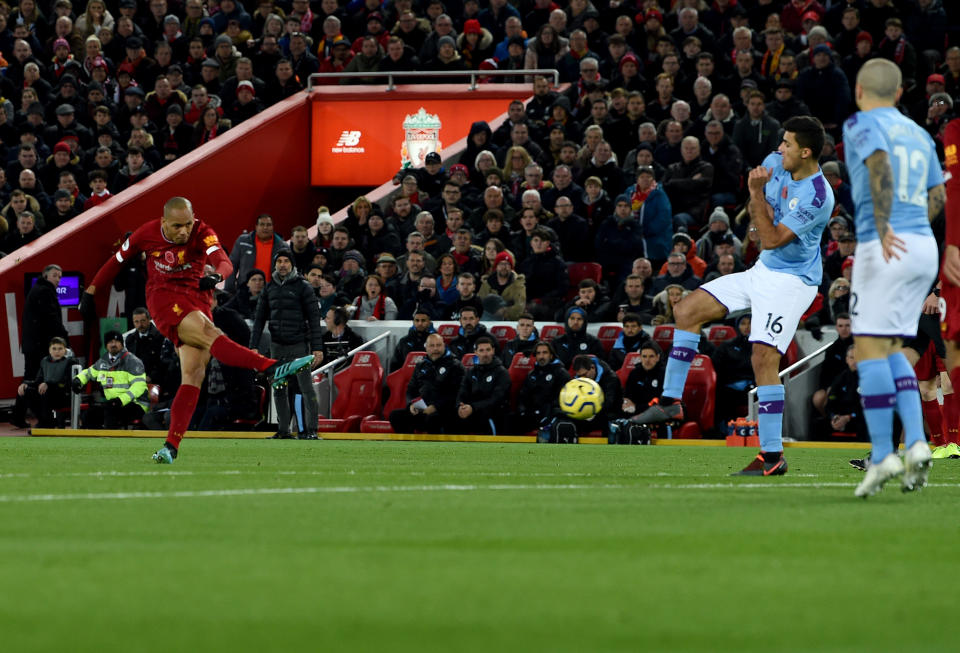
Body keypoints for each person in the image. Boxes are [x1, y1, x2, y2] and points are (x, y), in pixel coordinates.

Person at [633, 116, 834, 477]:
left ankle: (772, 457)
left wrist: (758, 197)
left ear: (806, 152)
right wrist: (761, 207)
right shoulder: (776, 163)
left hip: (794, 282)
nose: (778, 149)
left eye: (786, 144)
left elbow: (770, 236)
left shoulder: (818, 195)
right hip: (763, 270)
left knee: (763, 358)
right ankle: (670, 403)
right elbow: (765, 224)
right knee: (686, 310)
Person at [80, 197, 314, 463]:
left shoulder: (203, 232)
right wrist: (91, 291)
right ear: (164, 222)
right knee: (209, 334)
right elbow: (116, 261)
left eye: (188, 224)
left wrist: (217, 276)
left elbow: (224, 262)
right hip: (164, 299)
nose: (184, 231)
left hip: (197, 299)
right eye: (177, 226)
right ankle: (271, 367)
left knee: (193, 375)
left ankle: (171, 446)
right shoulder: (146, 233)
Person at [843, 59, 944, 497]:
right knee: (896, 352)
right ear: (901, 93)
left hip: (884, 243)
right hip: (923, 248)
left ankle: (884, 451)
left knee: (867, 348)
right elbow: (938, 194)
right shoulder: (920, 133)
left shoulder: (861, 123)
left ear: (860, 90)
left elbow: (879, 165)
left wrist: (885, 226)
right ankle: (918, 443)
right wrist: (911, 227)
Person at [250, 249, 324, 440]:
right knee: (279, 389)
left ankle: (311, 431)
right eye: (279, 261)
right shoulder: (269, 288)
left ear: (292, 265)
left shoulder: (303, 287)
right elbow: (259, 319)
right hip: (277, 346)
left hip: (299, 345)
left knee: (306, 388)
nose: (282, 265)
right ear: (275, 265)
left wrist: (317, 348)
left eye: (286, 261)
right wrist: (253, 346)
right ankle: (283, 430)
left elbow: (314, 320)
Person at [71, 330, 150, 429]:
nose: (113, 344)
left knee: (111, 411)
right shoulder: (103, 361)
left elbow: (139, 387)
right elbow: (89, 372)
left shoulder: (133, 361)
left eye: (117, 342)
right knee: (88, 415)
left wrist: (121, 400)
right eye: (110, 342)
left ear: (122, 344)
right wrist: (78, 380)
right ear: (106, 345)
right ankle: (95, 442)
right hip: (113, 403)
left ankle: (110, 441)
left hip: (136, 403)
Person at [389, 332, 464, 435]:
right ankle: (408, 447)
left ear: (444, 346)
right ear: (426, 348)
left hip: (444, 410)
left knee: (433, 419)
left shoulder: (455, 365)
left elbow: (456, 393)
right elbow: (411, 389)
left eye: (438, 345)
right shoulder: (420, 365)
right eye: (432, 346)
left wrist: (435, 407)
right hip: (422, 408)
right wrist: (412, 404)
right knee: (395, 416)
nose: (435, 349)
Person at [552, 354, 622, 443]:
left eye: (585, 375)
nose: (583, 378)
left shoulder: (611, 378)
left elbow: (609, 403)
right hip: (583, 413)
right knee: (558, 413)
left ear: (592, 368)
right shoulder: (577, 380)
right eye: (580, 376)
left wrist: (589, 412)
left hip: (605, 414)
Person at [12, 336, 77, 429]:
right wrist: (25, 383)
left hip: (63, 395)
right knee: (24, 391)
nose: (57, 352)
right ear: (49, 350)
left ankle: (46, 423)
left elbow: (66, 383)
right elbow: (38, 381)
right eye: (54, 349)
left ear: (65, 350)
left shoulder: (71, 361)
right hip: (46, 393)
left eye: (60, 349)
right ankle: (42, 421)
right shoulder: (45, 361)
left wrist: (49, 384)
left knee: (45, 391)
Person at [453, 335, 511, 435]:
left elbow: (496, 399)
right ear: (476, 352)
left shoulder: (502, 372)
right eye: (481, 350)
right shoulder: (471, 372)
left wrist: (472, 408)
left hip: (493, 414)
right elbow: (462, 392)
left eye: (488, 350)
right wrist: (460, 406)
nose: (485, 354)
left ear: (493, 351)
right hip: (471, 411)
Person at [21, 264, 69, 380]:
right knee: (35, 379)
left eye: (60, 277)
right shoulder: (45, 291)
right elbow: (52, 320)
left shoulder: (39, 289)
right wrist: (65, 338)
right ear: (46, 276)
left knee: (31, 378)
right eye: (55, 276)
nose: (58, 279)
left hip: (34, 345)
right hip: (39, 347)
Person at [512, 340, 570, 436]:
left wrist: (548, 411)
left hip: (551, 414)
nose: (541, 356)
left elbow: (563, 399)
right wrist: (522, 410)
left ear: (551, 355)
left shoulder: (561, 373)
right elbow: (523, 395)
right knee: (510, 420)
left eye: (545, 353)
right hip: (532, 414)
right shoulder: (532, 374)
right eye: (538, 353)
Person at [224, 213, 286, 292]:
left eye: (268, 225)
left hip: (272, 292)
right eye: (262, 224)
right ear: (256, 226)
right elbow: (232, 265)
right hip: (245, 291)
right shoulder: (243, 241)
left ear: (273, 227)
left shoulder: (282, 246)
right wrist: (229, 288)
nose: (265, 227)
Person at [124, 307, 168, 384]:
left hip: (157, 381)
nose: (140, 325)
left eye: (143, 321)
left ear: (149, 320)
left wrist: (151, 377)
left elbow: (164, 362)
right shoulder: (130, 339)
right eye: (136, 322)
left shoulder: (160, 336)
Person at [390, 307, 435, 371]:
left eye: (423, 320)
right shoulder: (404, 341)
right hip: (407, 378)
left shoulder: (437, 341)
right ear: (413, 322)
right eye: (417, 320)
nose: (420, 323)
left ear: (429, 322)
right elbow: (395, 365)